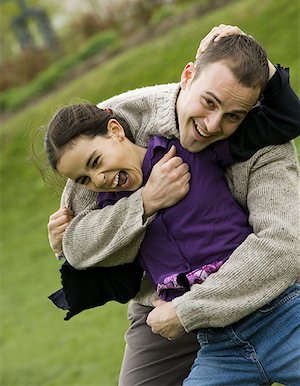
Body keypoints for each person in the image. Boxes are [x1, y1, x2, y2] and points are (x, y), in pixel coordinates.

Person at [47, 26, 300, 385]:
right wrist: (146, 202)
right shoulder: (115, 137)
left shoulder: (259, 140)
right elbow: (76, 242)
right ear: (188, 76)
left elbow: (283, 249)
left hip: (265, 297)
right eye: (209, 102)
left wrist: (262, 66)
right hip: (164, 309)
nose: (213, 125)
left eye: (233, 115)